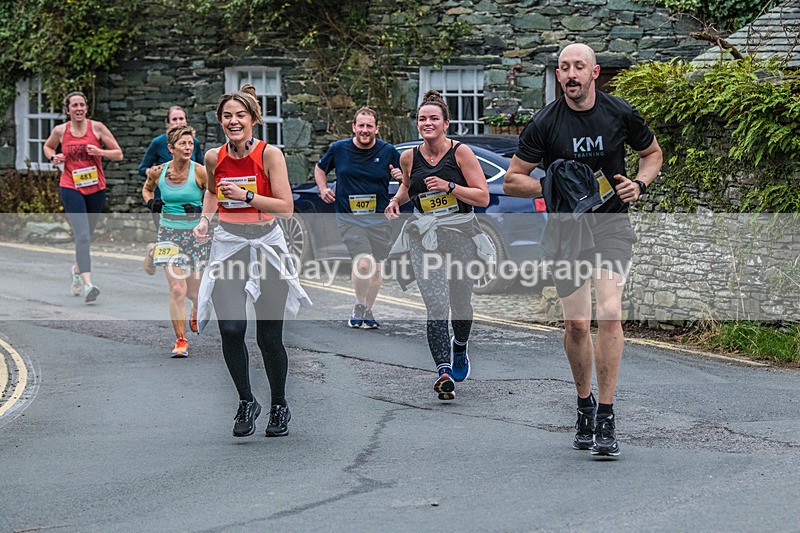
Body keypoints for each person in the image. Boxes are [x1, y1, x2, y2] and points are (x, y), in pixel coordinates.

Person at [503, 43, 663, 458]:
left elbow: (652, 154)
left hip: (609, 225)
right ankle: (584, 405)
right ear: (558, 77)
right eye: (564, 68)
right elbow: (512, 180)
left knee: (609, 311)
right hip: (566, 233)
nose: (571, 74)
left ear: (594, 73)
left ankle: (607, 416)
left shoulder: (619, 112)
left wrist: (640, 184)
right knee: (577, 324)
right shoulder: (545, 122)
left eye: (579, 67)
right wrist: (556, 186)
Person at [193, 84, 311, 438]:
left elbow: (286, 207)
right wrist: (204, 219)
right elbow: (212, 193)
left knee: (269, 337)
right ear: (220, 121)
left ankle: (279, 404)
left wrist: (247, 195)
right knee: (230, 329)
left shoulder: (269, 155)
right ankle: (246, 400)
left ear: (253, 120)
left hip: (266, 245)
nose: (233, 121)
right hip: (228, 245)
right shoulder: (214, 157)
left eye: (240, 115)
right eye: (227, 116)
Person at [385, 90, 493, 401]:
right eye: (422, 119)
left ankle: (460, 346)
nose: (427, 123)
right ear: (417, 124)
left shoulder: (461, 154)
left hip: (459, 234)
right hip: (424, 236)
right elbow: (408, 187)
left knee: (460, 302)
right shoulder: (409, 157)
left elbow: (482, 196)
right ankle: (444, 371)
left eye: (434, 118)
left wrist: (450, 186)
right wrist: (395, 201)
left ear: (445, 123)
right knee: (435, 303)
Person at [315, 107, 401, 329]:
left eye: (369, 126)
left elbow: (406, 178)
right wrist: (323, 188)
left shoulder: (388, 151)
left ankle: (368, 311)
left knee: (377, 268)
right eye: (360, 126)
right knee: (365, 264)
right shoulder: (339, 149)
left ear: (377, 129)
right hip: (350, 217)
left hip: (379, 218)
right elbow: (320, 169)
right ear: (354, 127)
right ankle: (359, 304)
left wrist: (401, 178)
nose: (365, 130)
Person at [43, 91, 124, 303]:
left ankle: (77, 270)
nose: (79, 109)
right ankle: (88, 284)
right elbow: (48, 146)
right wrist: (54, 156)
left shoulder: (97, 128)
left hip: (96, 188)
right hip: (71, 186)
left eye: (82, 105)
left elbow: (118, 153)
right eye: (74, 105)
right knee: (83, 236)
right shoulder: (61, 131)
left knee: (87, 235)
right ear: (68, 109)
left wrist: (100, 152)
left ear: (86, 108)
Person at [142, 124, 209, 358]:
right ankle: (180, 341)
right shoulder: (159, 172)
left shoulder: (200, 172)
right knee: (177, 289)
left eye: (191, 143)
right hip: (169, 234)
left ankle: (195, 308)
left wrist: (200, 210)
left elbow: (214, 198)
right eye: (183, 143)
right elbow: (147, 189)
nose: (188, 147)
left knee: (194, 294)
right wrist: (152, 203)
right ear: (171, 148)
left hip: (194, 237)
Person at [141, 106, 204, 275]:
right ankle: (157, 253)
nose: (178, 122)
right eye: (174, 119)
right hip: (163, 202)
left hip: (189, 204)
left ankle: (156, 251)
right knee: (177, 283)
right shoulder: (158, 143)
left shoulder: (194, 144)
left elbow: (201, 172)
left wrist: (200, 209)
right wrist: (152, 200)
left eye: (181, 119)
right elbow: (143, 169)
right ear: (168, 122)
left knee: (192, 284)